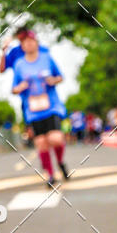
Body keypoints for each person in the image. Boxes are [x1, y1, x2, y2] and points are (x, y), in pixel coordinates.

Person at [11, 31, 69, 189]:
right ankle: (50, 175)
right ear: (22, 46)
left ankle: (61, 162)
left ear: (36, 43)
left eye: (31, 41)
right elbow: (14, 89)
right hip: (32, 109)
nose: (28, 44)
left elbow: (60, 77)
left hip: (51, 106)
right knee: (42, 143)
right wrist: (21, 87)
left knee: (55, 138)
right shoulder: (19, 65)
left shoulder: (47, 58)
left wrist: (53, 80)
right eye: (25, 42)